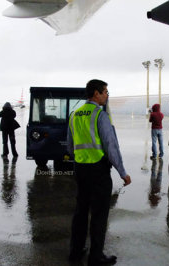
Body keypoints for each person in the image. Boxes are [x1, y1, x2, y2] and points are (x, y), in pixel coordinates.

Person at [67, 79, 131, 265]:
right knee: (99, 214)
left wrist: (81, 158)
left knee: (80, 212)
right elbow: (111, 147)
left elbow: (70, 146)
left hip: (80, 169)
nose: (107, 95)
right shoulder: (100, 116)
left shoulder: (75, 114)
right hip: (98, 171)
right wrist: (122, 172)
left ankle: (75, 252)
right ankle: (96, 257)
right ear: (96, 93)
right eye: (105, 92)